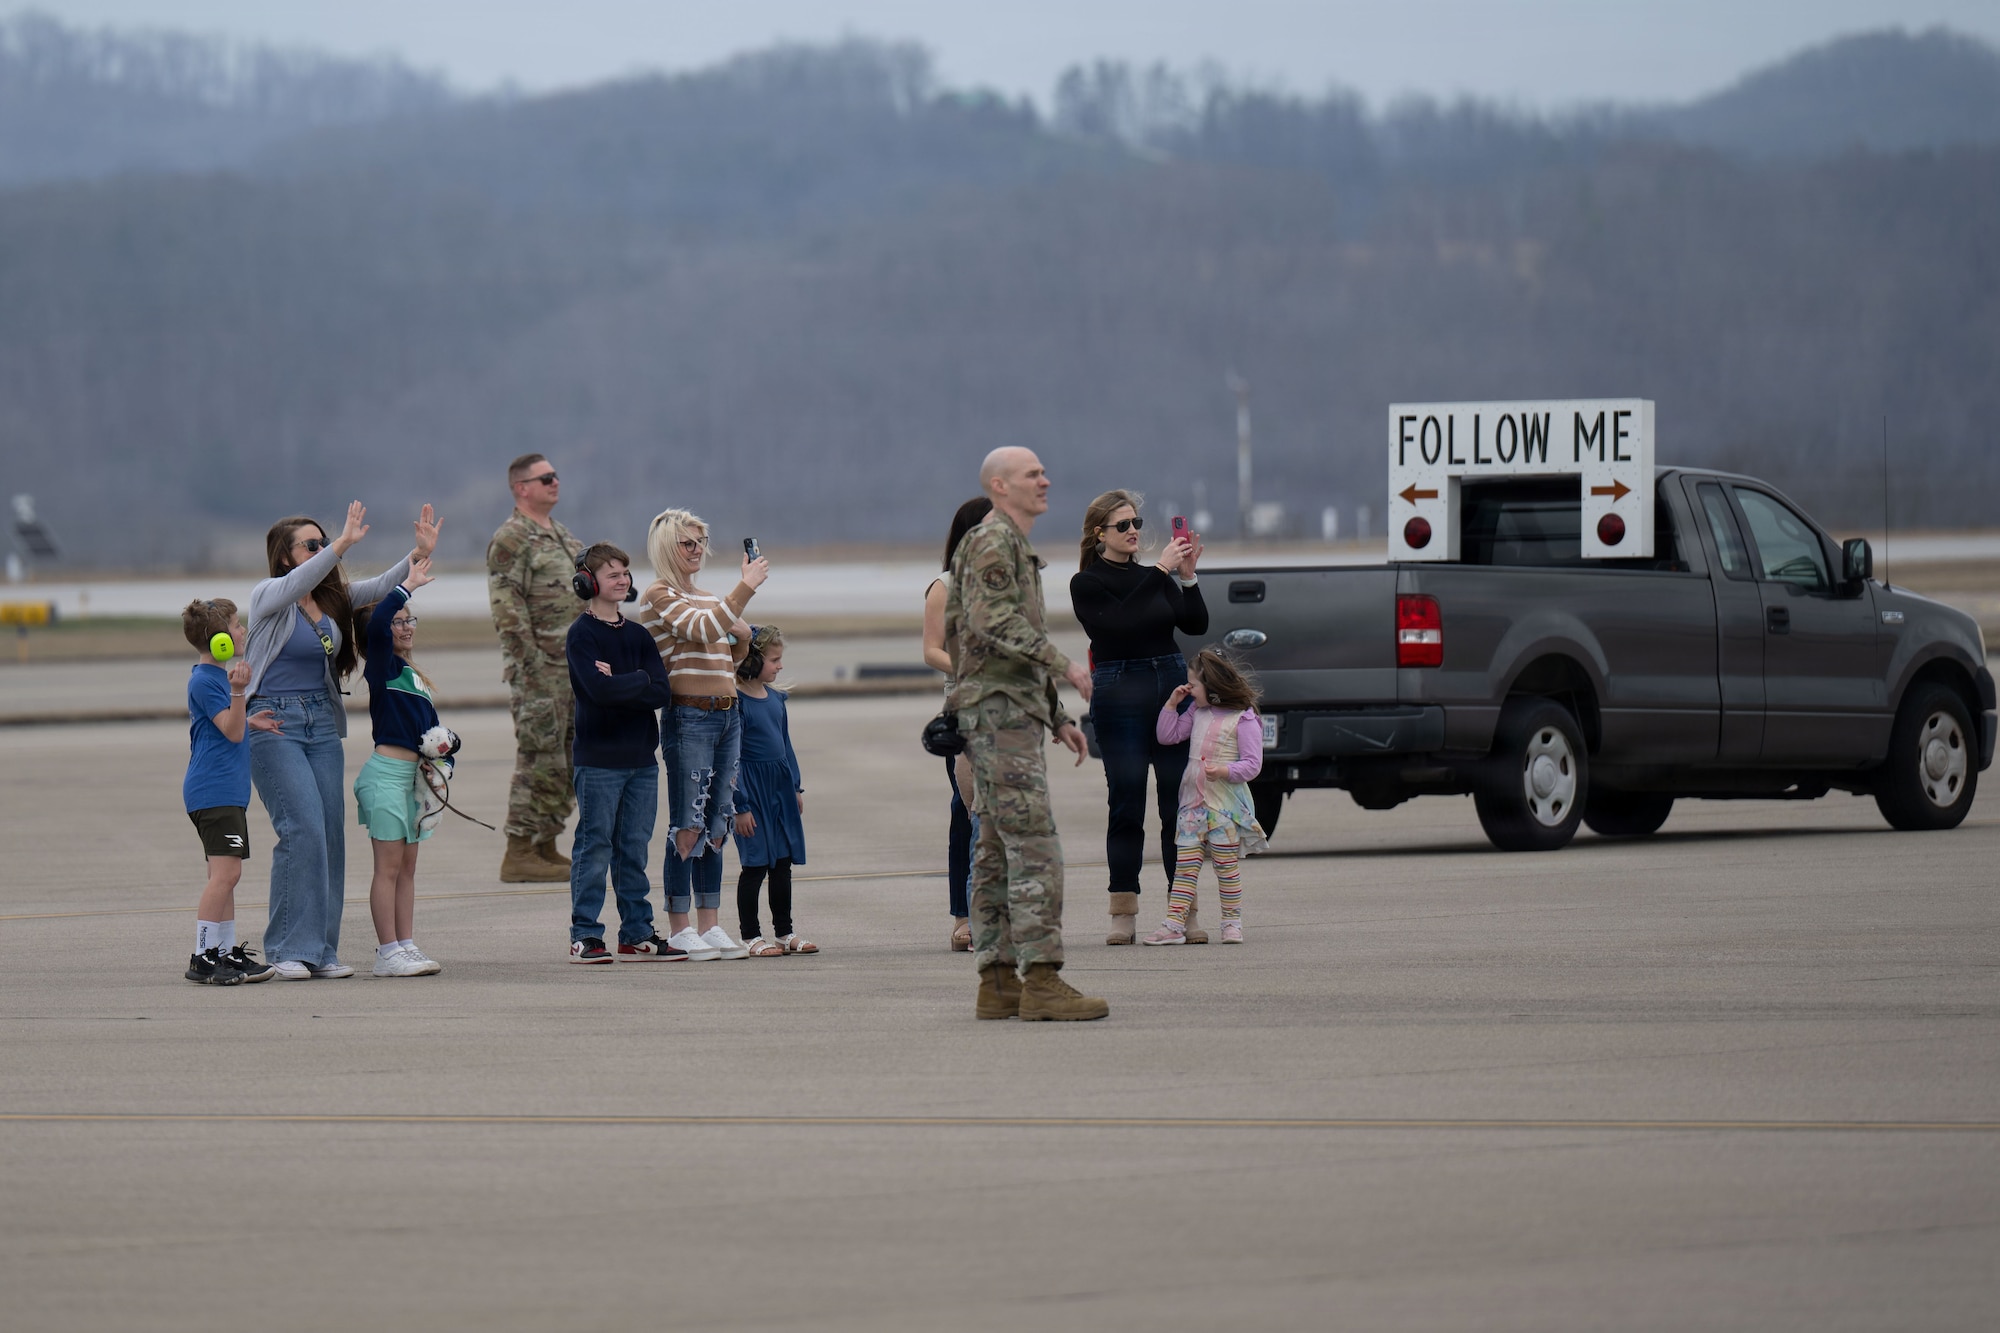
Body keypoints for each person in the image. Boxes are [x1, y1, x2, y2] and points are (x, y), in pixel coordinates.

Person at [946, 447, 1107, 1021]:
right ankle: (1040, 978)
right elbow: (996, 624)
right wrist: (1066, 665)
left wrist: (1056, 716)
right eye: (1032, 474)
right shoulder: (993, 541)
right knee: (1035, 846)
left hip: (1004, 711)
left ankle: (997, 982)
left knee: (992, 850)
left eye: (1042, 471)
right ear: (999, 485)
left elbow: (999, 651)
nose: (1046, 480)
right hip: (998, 720)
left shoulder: (1011, 544)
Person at [246, 501, 436, 981]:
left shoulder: (330, 600)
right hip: (276, 724)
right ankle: (288, 948)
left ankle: (321, 952)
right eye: (311, 545)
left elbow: (379, 589)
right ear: (287, 557)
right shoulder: (270, 596)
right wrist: (341, 544)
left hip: (321, 725)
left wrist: (415, 554)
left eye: (322, 541)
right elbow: (297, 583)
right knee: (302, 829)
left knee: (330, 837)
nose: (322, 550)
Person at [1071, 490, 1208, 946]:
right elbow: (1119, 623)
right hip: (1118, 688)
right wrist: (1163, 570)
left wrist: (1186, 579)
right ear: (1099, 534)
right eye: (1123, 525)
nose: (1134, 531)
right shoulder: (1087, 584)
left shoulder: (1157, 575)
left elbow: (1195, 624)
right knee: (1126, 804)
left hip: (1169, 685)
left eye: (1136, 523)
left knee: (1178, 804)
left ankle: (1182, 908)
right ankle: (1123, 911)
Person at [635, 508, 768, 962]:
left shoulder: (709, 597)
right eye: (687, 543)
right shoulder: (657, 595)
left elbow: (733, 651)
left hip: (727, 713)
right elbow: (704, 629)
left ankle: (710, 923)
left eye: (700, 543)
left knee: (717, 824)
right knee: (687, 823)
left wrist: (743, 634)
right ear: (666, 548)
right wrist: (744, 589)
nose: (696, 551)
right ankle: (679, 925)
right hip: (688, 715)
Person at [564, 542, 681, 963]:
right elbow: (597, 692)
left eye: (626, 574)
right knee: (594, 847)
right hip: (598, 762)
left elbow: (661, 691)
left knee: (634, 849)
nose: (623, 580)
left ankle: (636, 933)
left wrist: (624, 679)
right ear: (589, 582)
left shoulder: (637, 634)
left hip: (641, 762)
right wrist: (638, 682)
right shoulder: (581, 635)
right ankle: (585, 935)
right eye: (613, 574)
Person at [351, 559, 448, 977]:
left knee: (408, 868)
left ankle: (405, 944)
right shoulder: (382, 667)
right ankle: (386, 951)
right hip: (386, 776)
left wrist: (448, 749)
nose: (406, 627)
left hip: (414, 780)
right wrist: (406, 585)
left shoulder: (413, 675)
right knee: (387, 868)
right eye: (399, 621)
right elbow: (374, 629)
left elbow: (429, 731)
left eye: (411, 621)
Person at [487, 453, 582, 883]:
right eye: (546, 478)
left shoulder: (560, 534)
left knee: (568, 757)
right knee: (539, 756)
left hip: (574, 670)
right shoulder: (512, 538)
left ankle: (545, 843)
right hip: (540, 670)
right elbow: (508, 612)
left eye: (556, 476)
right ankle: (518, 851)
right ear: (521, 487)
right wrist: (532, 669)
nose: (555, 482)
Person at [179, 598, 278, 984]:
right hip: (214, 791)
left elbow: (227, 727)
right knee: (226, 875)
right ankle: (203, 956)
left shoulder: (212, 679)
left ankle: (224, 952)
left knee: (225, 875)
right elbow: (230, 731)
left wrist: (248, 718)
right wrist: (240, 692)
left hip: (222, 791)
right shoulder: (207, 680)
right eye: (237, 626)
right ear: (219, 639)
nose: (242, 632)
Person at [1143, 647, 1269, 946]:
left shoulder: (1244, 719)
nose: (1189, 689)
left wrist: (1224, 770)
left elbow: (1253, 764)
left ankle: (1232, 923)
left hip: (1223, 806)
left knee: (1225, 867)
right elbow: (1167, 735)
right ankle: (1174, 925)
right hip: (1192, 804)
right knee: (1185, 867)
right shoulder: (1195, 711)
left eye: (1194, 685)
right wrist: (1172, 704)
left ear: (1212, 687)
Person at [921, 495, 992, 951]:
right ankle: (963, 917)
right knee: (966, 813)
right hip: (965, 708)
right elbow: (930, 649)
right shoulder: (944, 586)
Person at [731, 624, 814, 957]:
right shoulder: (735, 702)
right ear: (751, 660)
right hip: (751, 791)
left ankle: (785, 931)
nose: (780, 666)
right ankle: (750, 935)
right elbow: (732, 757)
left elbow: (786, 746)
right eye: (774, 660)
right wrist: (740, 806)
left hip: (779, 789)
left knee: (781, 862)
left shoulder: (777, 699)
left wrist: (795, 786)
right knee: (755, 865)